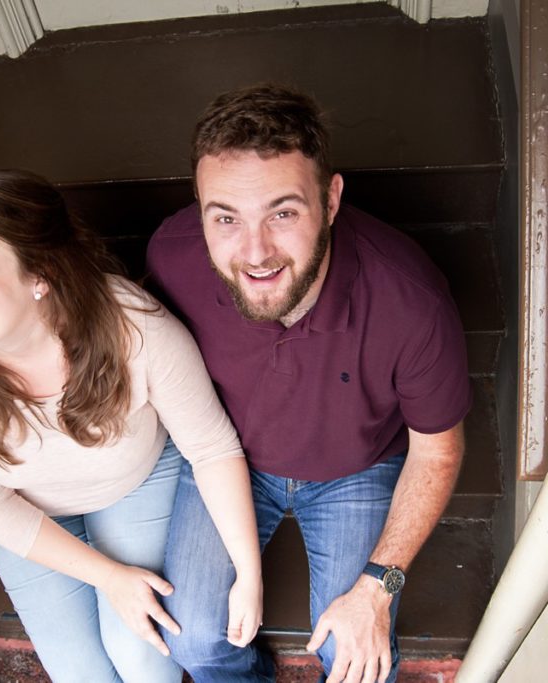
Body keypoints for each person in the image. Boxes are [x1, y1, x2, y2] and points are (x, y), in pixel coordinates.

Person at [147, 85, 470, 683]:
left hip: (358, 468)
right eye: (225, 217)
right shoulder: (172, 257)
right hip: (228, 456)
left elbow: (438, 450)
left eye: (284, 212)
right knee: (193, 643)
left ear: (331, 197)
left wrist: (379, 586)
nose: (254, 252)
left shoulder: (412, 299)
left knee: (357, 662)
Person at [0, 169, 263, 681]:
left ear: (40, 274)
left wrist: (248, 572)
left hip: (132, 485)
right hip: (23, 512)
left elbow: (211, 447)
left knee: (142, 657)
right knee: (81, 676)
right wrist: (109, 577)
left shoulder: (134, 324)